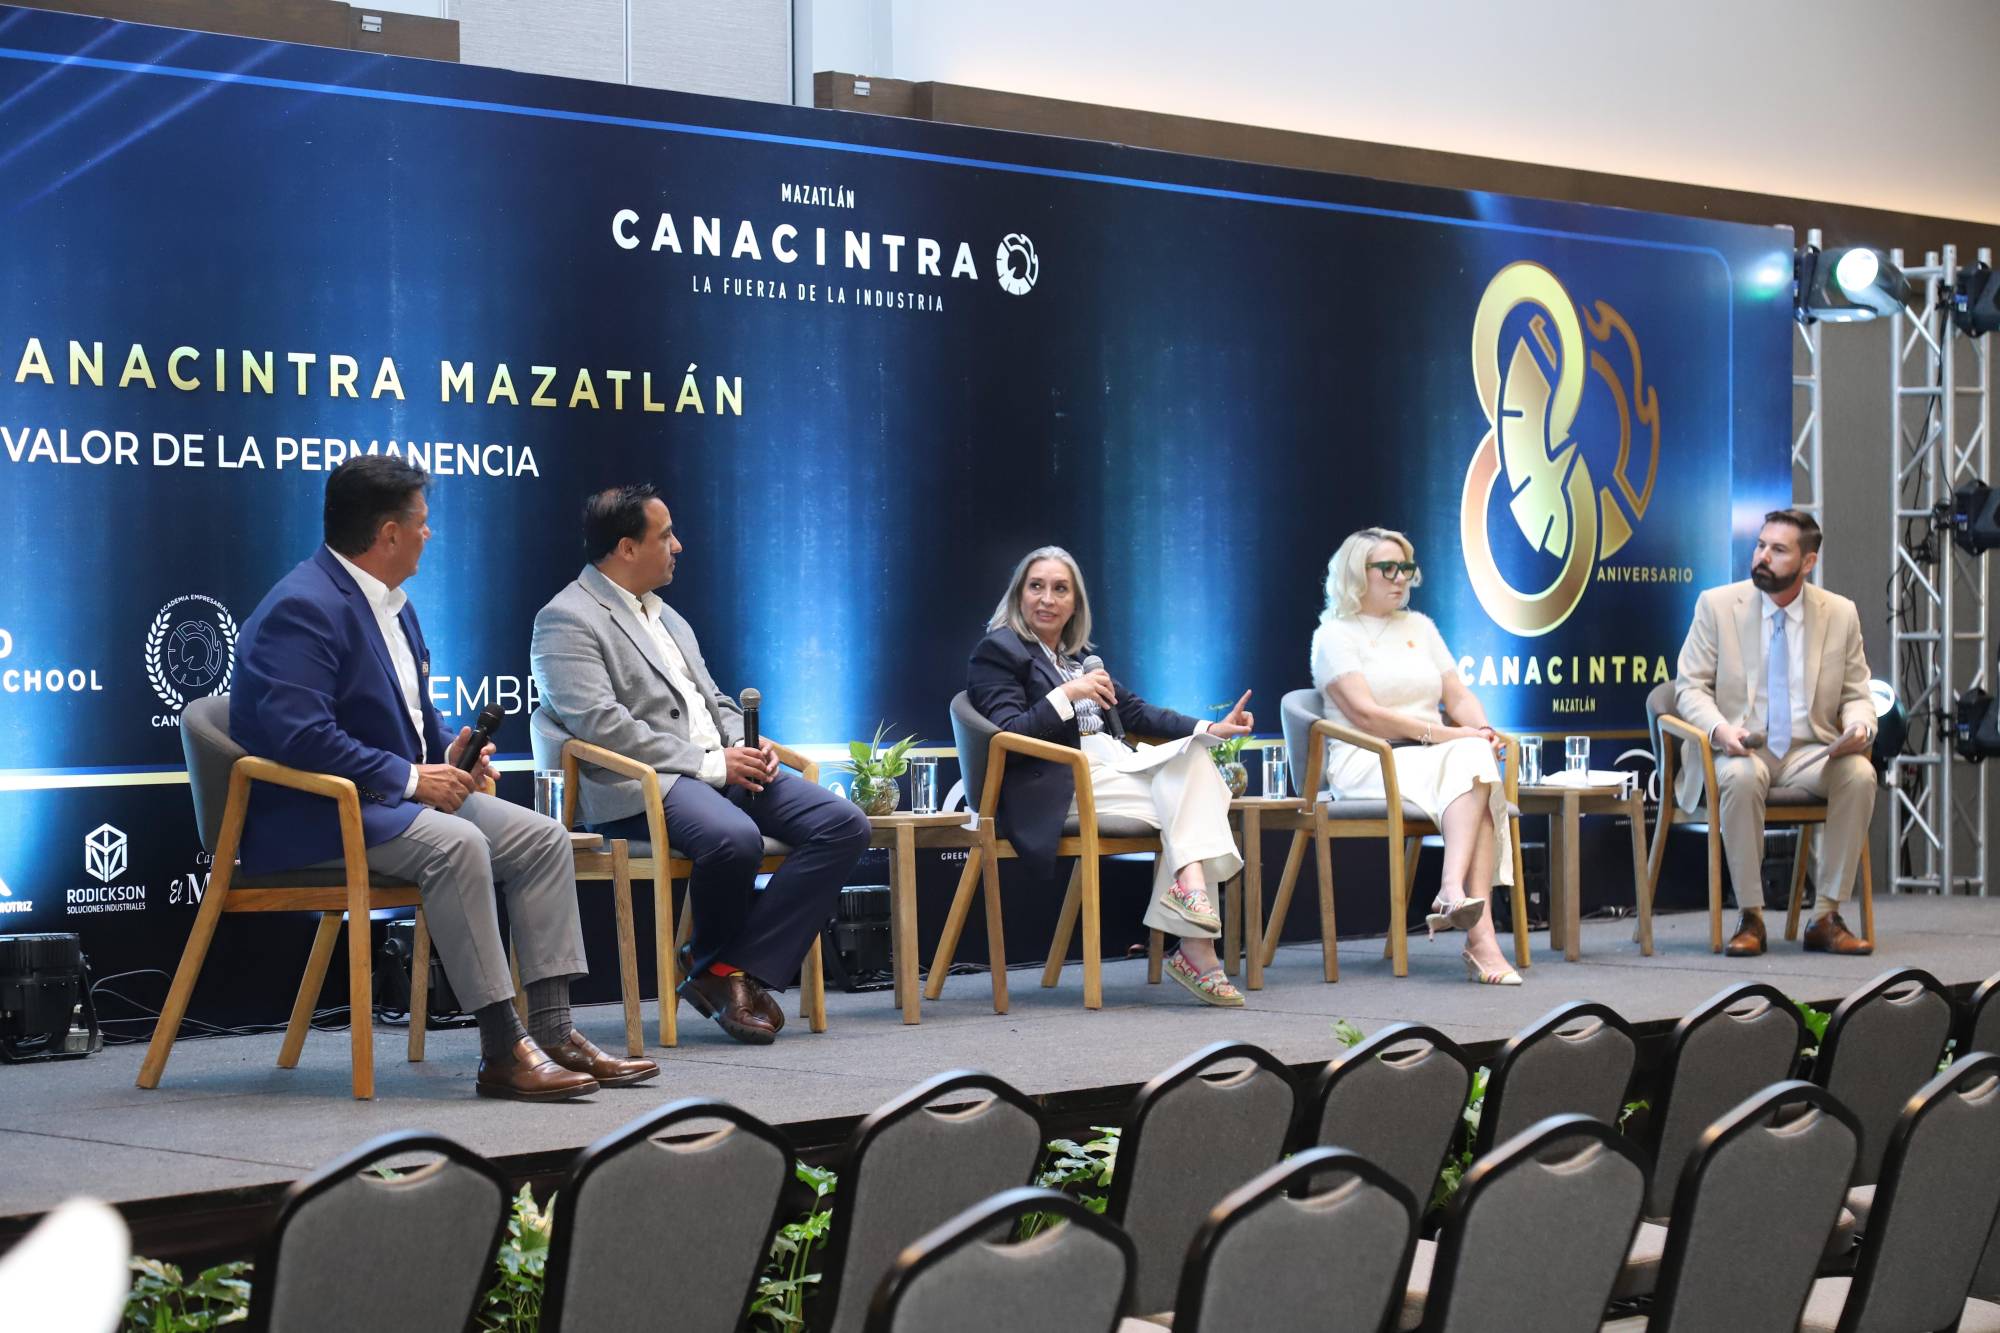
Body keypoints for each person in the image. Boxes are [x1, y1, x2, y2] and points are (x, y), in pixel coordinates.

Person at [231, 456, 657, 1100]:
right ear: (389, 534)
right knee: (461, 846)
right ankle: (502, 1049)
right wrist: (410, 778)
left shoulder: (394, 606)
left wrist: (449, 754)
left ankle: (554, 1030)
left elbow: (407, 716)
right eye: (422, 524)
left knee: (542, 838)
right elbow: (300, 737)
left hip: (386, 802)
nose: (429, 536)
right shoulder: (303, 606)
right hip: (316, 815)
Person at [531, 485, 871, 1044]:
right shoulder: (566, 618)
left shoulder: (670, 618)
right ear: (626, 547)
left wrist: (750, 744)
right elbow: (601, 725)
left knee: (843, 824)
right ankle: (717, 967)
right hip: (639, 782)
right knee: (734, 838)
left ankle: (724, 968)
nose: (678, 546)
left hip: (715, 770)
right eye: (665, 536)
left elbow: (714, 704)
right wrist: (713, 764)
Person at [966, 546, 1253, 1006]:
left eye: (1060, 589)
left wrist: (1211, 728)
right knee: (1196, 794)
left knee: (1197, 762)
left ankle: (1192, 899)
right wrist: (1066, 694)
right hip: (1058, 781)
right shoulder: (998, 651)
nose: (1047, 598)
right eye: (1036, 586)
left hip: (1109, 769)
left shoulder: (1077, 658)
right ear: (1018, 595)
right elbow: (1008, 735)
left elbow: (1138, 711)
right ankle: (1196, 941)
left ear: (1075, 604)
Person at [1309, 527, 1521, 984]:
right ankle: (1479, 938)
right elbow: (1366, 716)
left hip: (1433, 756)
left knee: (1477, 761)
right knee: (1473, 768)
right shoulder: (1334, 635)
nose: (1400, 578)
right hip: (1370, 758)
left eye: (1405, 568)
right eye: (1387, 568)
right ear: (1355, 574)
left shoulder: (1420, 627)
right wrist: (1448, 734)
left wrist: (1480, 728)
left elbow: (1457, 693)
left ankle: (1453, 893)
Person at [1675, 509, 1875, 956]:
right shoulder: (1718, 605)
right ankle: (1751, 917)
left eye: (1778, 549)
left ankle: (1825, 915)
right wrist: (1721, 730)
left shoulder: (1840, 614)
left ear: (1808, 563)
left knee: (1859, 774)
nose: (1762, 556)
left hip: (1812, 751)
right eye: (1760, 545)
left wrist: (1861, 724)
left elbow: (1857, 692)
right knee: (1741, 777)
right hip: (1742, 747)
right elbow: (1689, 688)